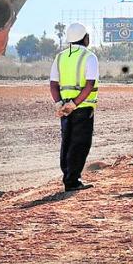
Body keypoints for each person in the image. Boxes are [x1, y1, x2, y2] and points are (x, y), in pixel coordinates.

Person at [49, 22, 99, 192]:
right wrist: (75, 104)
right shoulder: (90, 57)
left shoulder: (60, 57)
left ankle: (68, 177)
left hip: (64, 107)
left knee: (67, 141)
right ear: (85, 38)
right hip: (82, 107)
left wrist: (59, 103)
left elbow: (53, 84)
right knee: (80, 143)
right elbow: (89, 84)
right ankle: (73, 181)